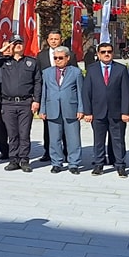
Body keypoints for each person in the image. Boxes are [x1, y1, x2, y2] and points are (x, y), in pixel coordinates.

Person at [0, 35, 41, 172]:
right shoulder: (3, 62)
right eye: (15, 43)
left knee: (24, 133)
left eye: (20, 43)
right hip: (8, 103)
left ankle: (24, 160)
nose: (18, 45)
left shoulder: (31, 62)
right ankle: (13, 160)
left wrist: (36, 100)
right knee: (12, 133)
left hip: (25, 103)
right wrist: (2, 50)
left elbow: (37, 82)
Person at [82, 41, 129, 177]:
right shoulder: (92, 69)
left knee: (118, 140)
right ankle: (98, 164)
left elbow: (126, 92)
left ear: (112, 53)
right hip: (97, 112)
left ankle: (120, 165)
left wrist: (125, 112)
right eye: (103, 52)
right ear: (98, 54)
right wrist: (88, 112)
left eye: (109, 51)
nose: (106, 54)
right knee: (98, 140)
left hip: (117, 112)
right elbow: (86, 92)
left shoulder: (121, 69)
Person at [39, 46, 84, 174]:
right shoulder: (47, 72)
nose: (57, 60)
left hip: (71, 108)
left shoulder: (76, 72)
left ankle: (73, 163)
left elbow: (80, 92)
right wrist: (42, 109)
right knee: (54, 139)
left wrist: (81, 109)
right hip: (52, 108)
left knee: (73, 138)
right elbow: (44, 92)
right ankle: (56, 162)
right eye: (55, 58)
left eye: (60, 58)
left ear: (67, 58)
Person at [36, 30, 65, 161]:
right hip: (48, 96)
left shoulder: (68, 54)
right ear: (47, 40)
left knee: (65, 125)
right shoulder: (41, 56)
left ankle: (67, 151)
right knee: (48, 126)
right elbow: (38, 78)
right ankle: (48, 151)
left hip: (65, 96)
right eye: (51, 38)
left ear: (61, 40)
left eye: (56, 39)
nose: (54, 41)